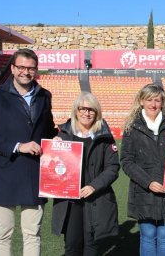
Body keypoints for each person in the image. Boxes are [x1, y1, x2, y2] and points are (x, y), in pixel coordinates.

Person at [0, 48, 57, 256]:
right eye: (21, 67)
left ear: (36, 70)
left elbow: (48, 129)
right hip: (4, 174)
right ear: (13, 68)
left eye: (31, 68)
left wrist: (57, 137)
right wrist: (18, 146)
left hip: (33, 174)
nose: (26, 72)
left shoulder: (44, 96)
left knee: (32, 234)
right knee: (2, 234)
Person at [120, 83, 165, 256]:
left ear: (162, 102)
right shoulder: (131, 127)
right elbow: (126, 161)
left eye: (157, 100)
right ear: (141, 101)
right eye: (149, 99)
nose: (153, 104)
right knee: (148, 236)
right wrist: (148, 182)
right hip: (144, 190)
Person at [51, 92, 120, 255]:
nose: (86, 113)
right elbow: (51, 165)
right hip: (70, 201)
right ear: (76, 111)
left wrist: (93, 186)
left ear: (97, 113)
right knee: (71, 245)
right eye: (82, 109)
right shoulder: (62, 135)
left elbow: (113, 168)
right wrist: (53, 149)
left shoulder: (105, 137)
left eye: (91, 110)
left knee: (91, 246)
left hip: (95, 198)